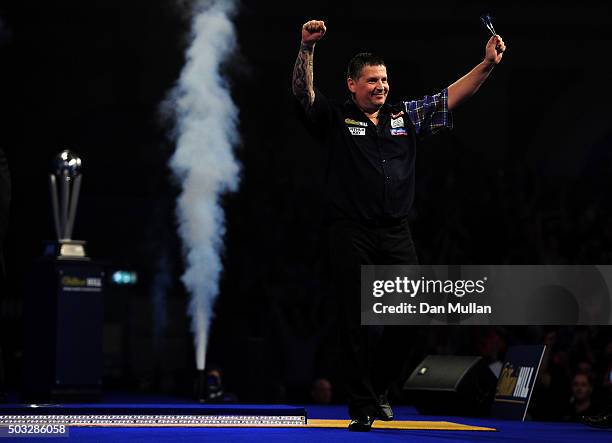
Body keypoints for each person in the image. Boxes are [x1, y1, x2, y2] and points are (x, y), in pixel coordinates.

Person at [292, 19, 506, 431]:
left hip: (395, 232)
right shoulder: (336, 117)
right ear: (352, 85)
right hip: (349, 230)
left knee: (412, 313)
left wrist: (487, 64)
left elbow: (449, 99)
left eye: (385, 79)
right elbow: (305, 95)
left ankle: (377, 387)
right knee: (354, 320)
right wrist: (306, 48)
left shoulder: (402, 116)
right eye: (372, 80)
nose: (381, 86)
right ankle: (361, 406)